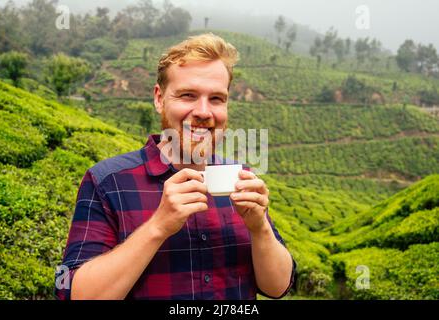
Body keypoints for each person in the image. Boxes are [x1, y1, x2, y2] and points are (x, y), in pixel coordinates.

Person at [55, 33, 296, 300]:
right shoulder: (107, 182)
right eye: (188, 95)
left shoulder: (241, 178)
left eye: (216, 99)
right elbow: (74, 293)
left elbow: (278, 286)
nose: (204, 112)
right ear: (159, 99)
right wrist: (158, 226)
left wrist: (259, 226)